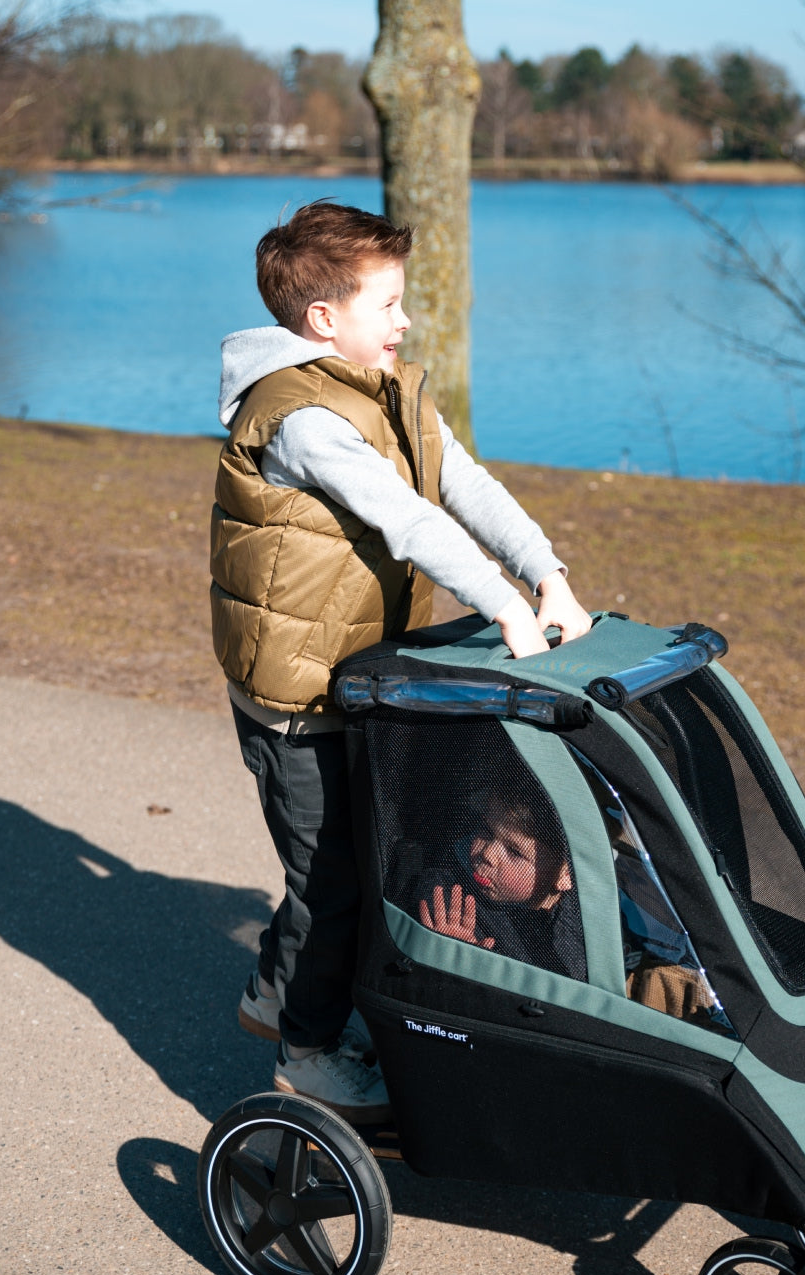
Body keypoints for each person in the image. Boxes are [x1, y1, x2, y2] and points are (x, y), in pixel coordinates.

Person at [212, 200, 591, 1123]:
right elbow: (410, 520)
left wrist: (547, 576)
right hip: (296, 698)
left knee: (370, 854)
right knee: (333, 879)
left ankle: (279, 983)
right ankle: (307, 1054)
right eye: (388, 304)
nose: (407, 320)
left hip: (359, 674)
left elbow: (466, 485)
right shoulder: (302, 420)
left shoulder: (389, 391)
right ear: (324, 319)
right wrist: (501, 604)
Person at [414, 787, 587, 982]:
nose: (487, 854)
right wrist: (454, 959)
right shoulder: (449, 897)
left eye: (514, 852)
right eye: (487, 831)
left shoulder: (584, 930)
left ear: (566, 875)